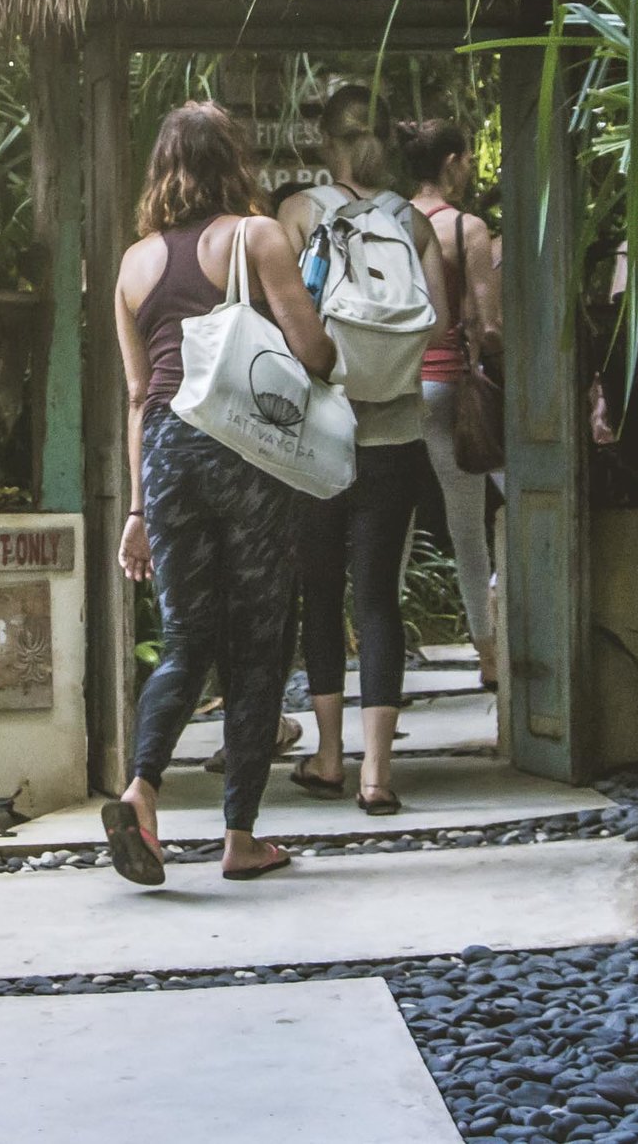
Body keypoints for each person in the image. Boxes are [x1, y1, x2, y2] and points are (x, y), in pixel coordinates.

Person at [106, 101, 336, 885]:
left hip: (167, 452)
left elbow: (140, 396)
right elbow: (311, 352)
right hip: (243, 448)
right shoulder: (256, 234)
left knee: (186, 639)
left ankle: (141, 787)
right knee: (257, 640)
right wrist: (326, 333)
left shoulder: (134, 265)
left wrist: (137, 510)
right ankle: (240, 836)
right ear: (233, 158)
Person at [277, 84, 448, 815]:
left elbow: (277, 325)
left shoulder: (296, 213)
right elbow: (436, 330)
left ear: (325, 143)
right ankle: (379, 773)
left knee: (321, 593)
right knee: (379, 598)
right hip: (396, 434)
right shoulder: (413, 221)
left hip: (320, 434)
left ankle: (327, 755)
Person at [402, 119, 504, 687]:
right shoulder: (467, 228)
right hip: (448, 388)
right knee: (468, 530)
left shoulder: (392, 221)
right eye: (466, 160)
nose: (469, 170)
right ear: (450, 163)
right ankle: (489, 656)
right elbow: (488, 326)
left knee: (394, 528)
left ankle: (382, 661)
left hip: (394, 393)